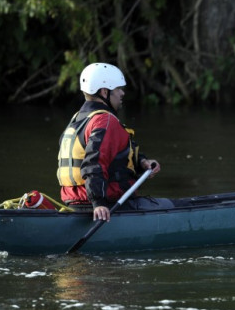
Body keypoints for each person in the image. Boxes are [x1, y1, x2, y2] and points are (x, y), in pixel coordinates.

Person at [57, 62, 174, 221]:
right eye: (118, 89)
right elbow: (94, 163)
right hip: (107, 206)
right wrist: (98, 202)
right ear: (105, 92)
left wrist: (142, 162)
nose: (122, 93)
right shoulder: (105, 121)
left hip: (74, 204)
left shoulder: (78, 119)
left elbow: (115, 155)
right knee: (169, 206)